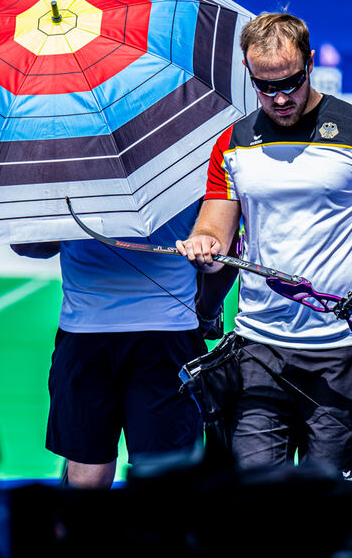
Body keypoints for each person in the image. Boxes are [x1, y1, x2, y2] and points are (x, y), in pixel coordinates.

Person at [177, 12, 352, 487]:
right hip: (259, 348)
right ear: (250, 74)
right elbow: (215, 227)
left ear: (310, 62)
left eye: (291, 81)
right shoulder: (233, 141)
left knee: (333, 512)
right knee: (254, 504)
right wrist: (204, 243)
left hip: (345, 350)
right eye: (265, 87)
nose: (280, 98)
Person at [12, 205, 207, 489]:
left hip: (88, 330)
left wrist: (73, 226)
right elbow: (219, 255)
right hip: (166, 330)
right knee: (164, 475)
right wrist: (208, 309)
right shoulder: (187, 165)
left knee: (88, 476)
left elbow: (27, 245)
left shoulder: (69, 166)